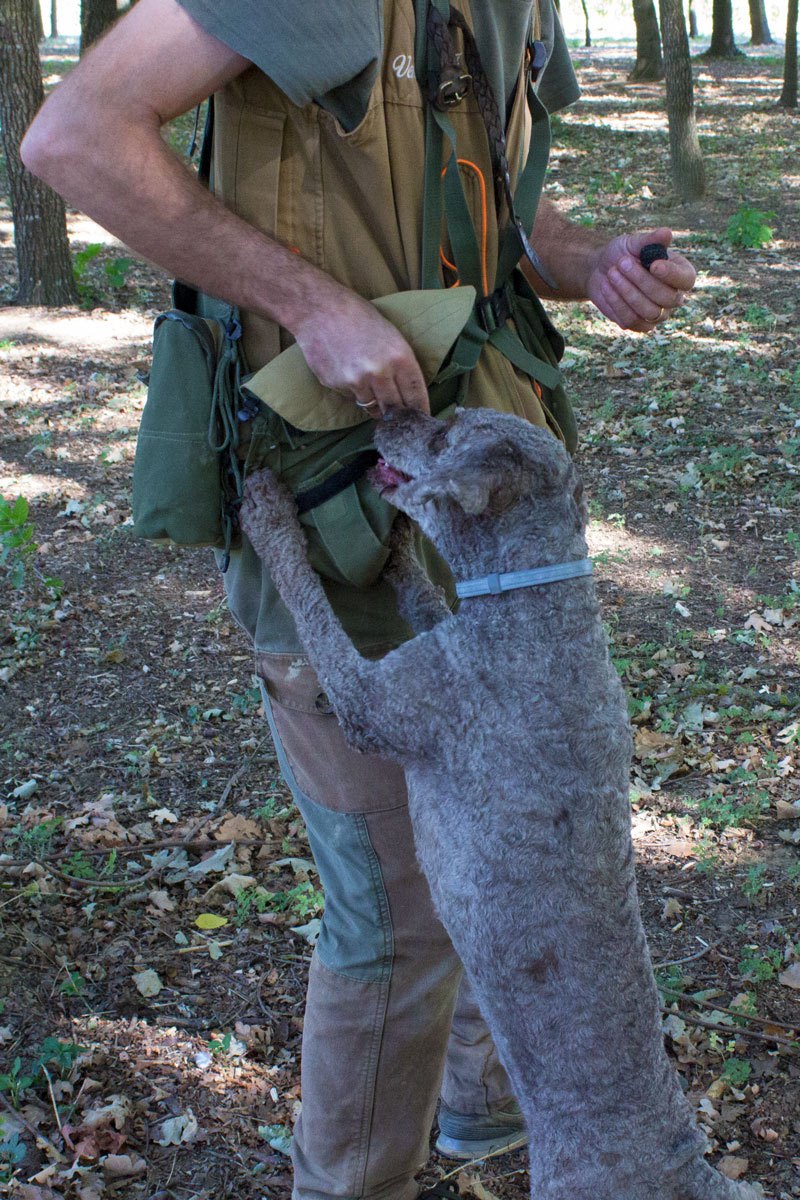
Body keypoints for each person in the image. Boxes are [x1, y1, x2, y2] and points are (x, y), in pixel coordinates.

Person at [22, 4, 697, 1199]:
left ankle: (483, 1111)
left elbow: (494, 219)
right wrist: (314, 303)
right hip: (330, 485)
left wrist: (583, 261)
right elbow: (74, 139)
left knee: (518, 827)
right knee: (395, 908)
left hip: (491, 498)